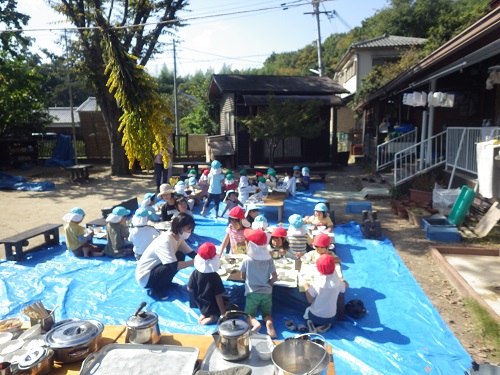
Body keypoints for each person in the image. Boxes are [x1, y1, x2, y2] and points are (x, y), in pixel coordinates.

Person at [136, 213, 197, 300]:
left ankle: (166, 283)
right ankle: (156, 290)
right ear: (179, 227)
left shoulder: (178, 237)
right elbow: (174, 266)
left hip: (155, 269)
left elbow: (190, 252)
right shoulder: (165, 241)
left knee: (180, 255)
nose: (190, 231)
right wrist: (196, 261)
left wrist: (205, 257)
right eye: (188, 228)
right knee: (170, 266)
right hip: (146, 278)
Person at [240, 228, 278, 338]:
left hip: (252, 292)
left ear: (250, 245)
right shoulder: (269, 259)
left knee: (248, 315)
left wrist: (247, 280)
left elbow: (242, 276)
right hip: (267, 292)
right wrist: (270, 284)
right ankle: (269, 323)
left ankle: (255, 324)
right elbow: (275, 276)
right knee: (267, 314)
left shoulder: (247, 259)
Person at [302, 254, 348, 333]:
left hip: (315, 316)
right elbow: (345, 286)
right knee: (328, 313)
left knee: (307, 310)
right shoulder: (337, 281)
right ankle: (326, 325)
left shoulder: (318, 283)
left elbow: (310, 299)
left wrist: (306, 287)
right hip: (331, 316)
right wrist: (342, 280)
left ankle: (310, 322)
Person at [187, 242, 226, 325]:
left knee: (205, 309)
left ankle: (203, 314)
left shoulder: (195, 273)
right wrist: (223, 313)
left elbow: (189, 289)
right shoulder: (215, 276)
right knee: (225, 305)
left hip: (199, 303)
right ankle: (211, 317)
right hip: (211, 306)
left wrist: (191, 279)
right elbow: (218, 296)